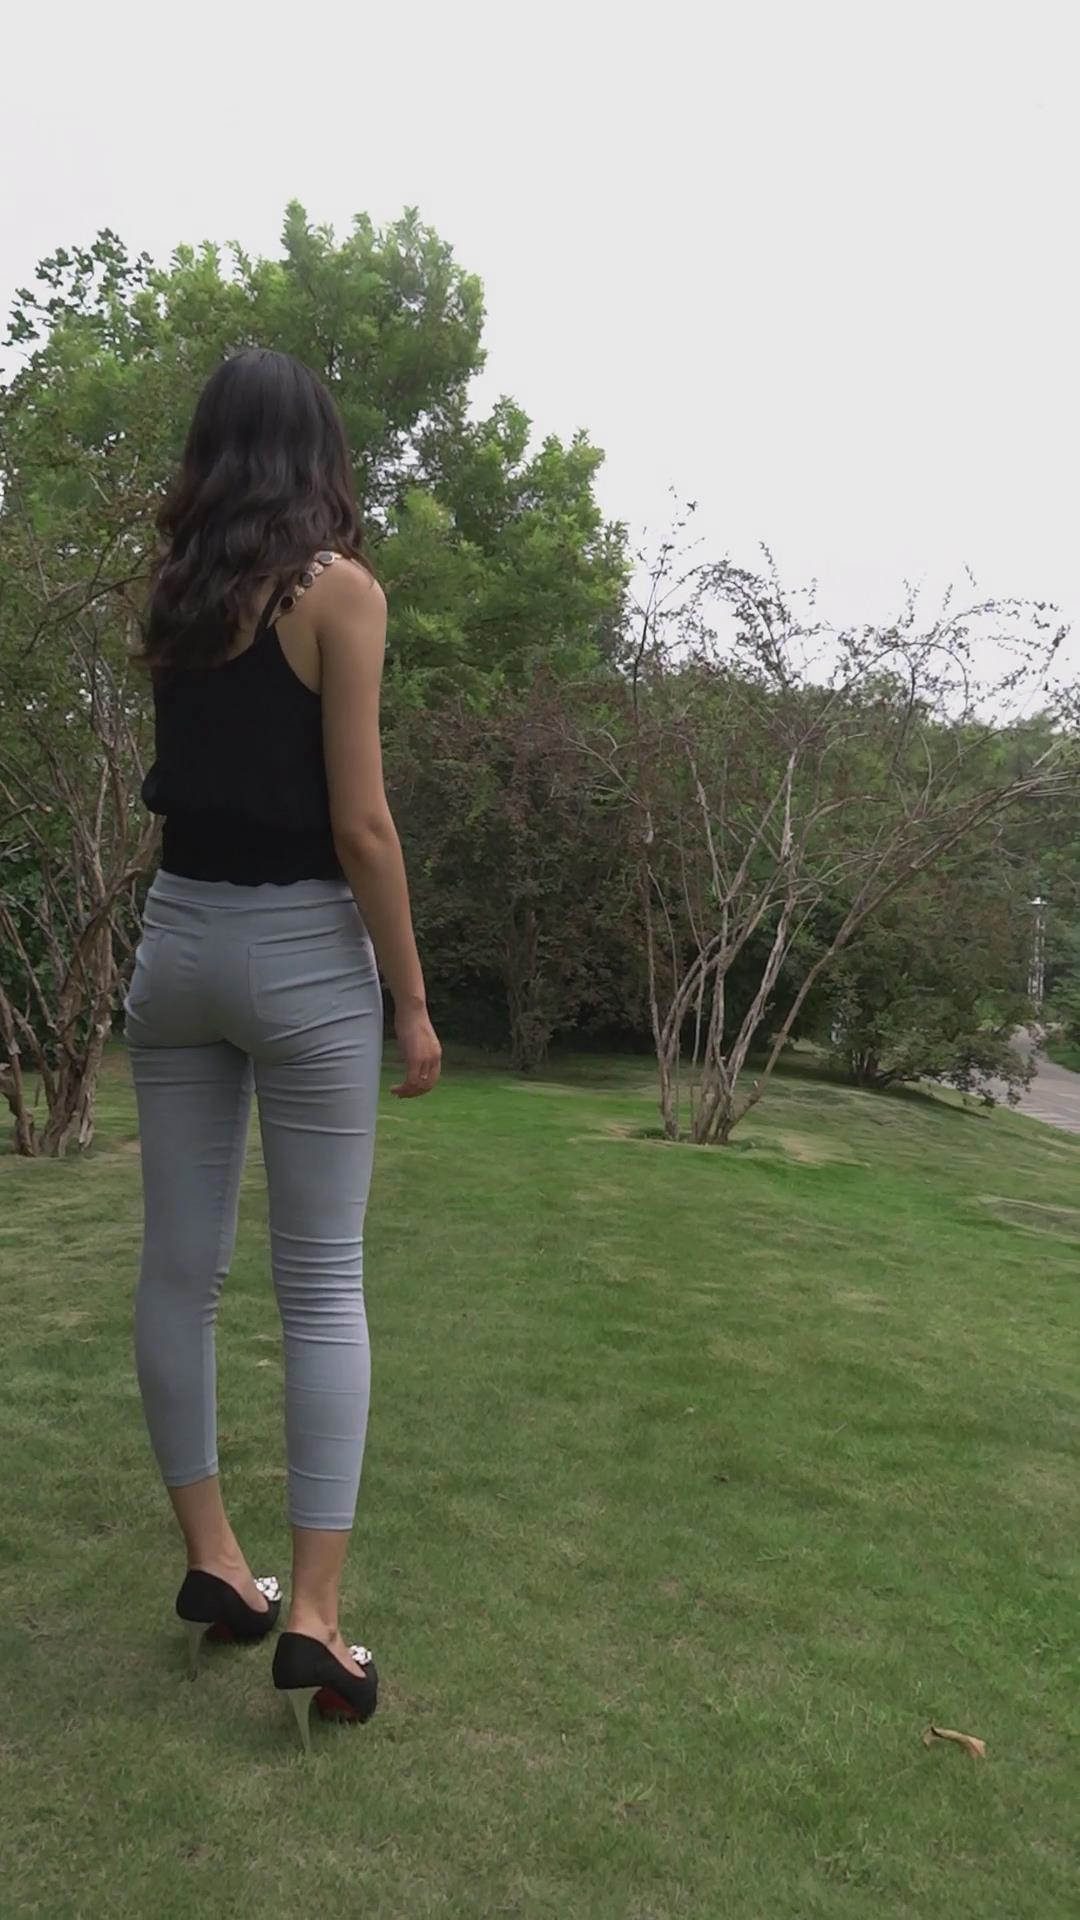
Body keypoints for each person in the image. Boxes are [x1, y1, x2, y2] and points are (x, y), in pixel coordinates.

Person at [126, 346, 441, 1751]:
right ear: (317, 450)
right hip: (305, 948)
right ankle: (312, 1617)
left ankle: (214, 1557)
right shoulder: (339, 591)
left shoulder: (178, 594)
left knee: (177, 1273)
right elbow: (361, 823)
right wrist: (412, 1002)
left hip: (177, 942)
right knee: (318, 1286)